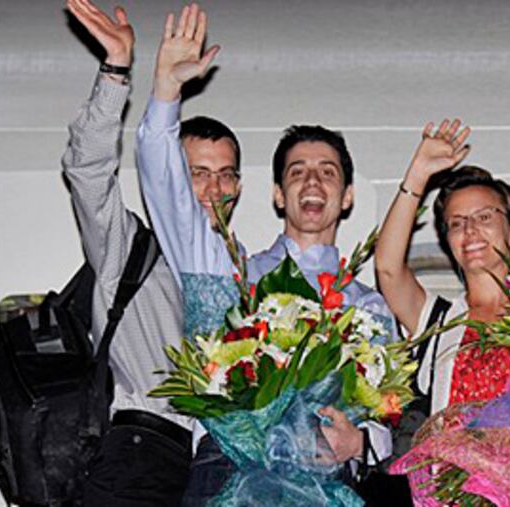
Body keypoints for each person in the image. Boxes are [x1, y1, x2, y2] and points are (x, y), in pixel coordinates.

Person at [134, 4, 397, 504]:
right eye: (297, 171)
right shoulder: (230, 277)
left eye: (327, 171)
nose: (312, 180)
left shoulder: (370, 306)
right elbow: (171, 201)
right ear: (278, 193)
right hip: (229, 472)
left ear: (347, 196)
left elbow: (387, 407)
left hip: (328, 483)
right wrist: (166, 91)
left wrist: (363, 443)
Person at [63, 1, 241, 505]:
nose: (213, 187)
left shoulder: (249, 276)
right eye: (197, 173)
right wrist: (116, 69)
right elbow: (87, 171)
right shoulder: (129, 246)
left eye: (225, 173)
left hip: (218, 463)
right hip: (142, 447)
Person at [374, 119, 510, 417]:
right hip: (442, 463)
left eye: (483, 217)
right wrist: (417, 175)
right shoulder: (438, 320)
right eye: (457, 223)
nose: (469, 230)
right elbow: (388, 269)